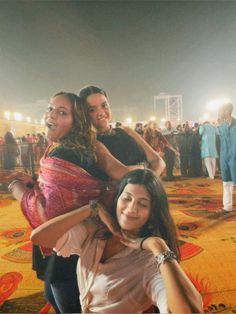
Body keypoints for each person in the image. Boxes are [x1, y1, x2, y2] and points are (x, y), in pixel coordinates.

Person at [6, 92, 137, 313]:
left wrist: (17, 188)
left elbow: (47, 212)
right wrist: (34, 184)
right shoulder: (68, 146)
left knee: (67, 302)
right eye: (51, 108)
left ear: (77, 122)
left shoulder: (77, 151)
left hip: (68, 249)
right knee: (52, 294)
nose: (51, 115)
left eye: (62, 112)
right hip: (63, 243)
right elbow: (55, 190)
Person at [31, 169, 203, 314]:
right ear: (117, 198)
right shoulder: (96, 231)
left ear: (152, 213)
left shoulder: (149, 262)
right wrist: (91, 208)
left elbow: (189, 311)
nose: (131, 209)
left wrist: (158, 245)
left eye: (142, 204)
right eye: (127, 198)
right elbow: (40, 238)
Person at [79, 86, 165, 177]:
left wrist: (148, 183)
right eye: (92, 110)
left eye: (104, 105)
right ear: (83, 114)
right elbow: (123, 173)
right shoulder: (90, 142)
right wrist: (145, 166)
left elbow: (159, 161)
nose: (101, 112)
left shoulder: (126, 131)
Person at [217, 102, 236, 211]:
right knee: (226, 182)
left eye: (221, 111)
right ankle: (227, 206)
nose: (219, 113)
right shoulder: (221, 127)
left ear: (227, 111)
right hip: (225, 158)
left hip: (235, 157)